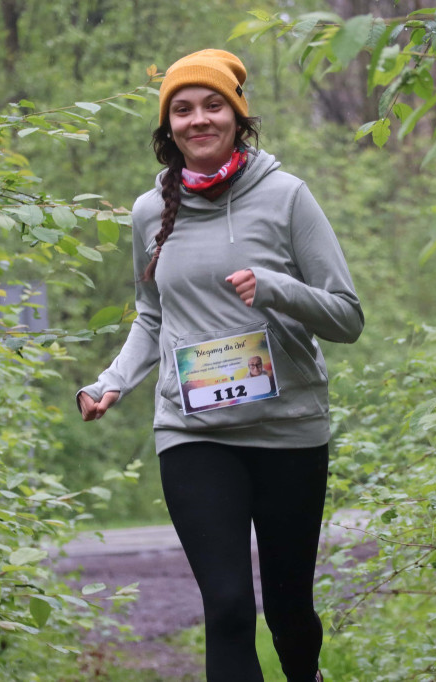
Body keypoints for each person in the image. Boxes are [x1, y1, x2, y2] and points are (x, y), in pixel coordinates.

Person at [76, 48, 362, 682]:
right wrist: (112, 382)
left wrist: (276, 287)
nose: (198, 119)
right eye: (182, 109)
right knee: (228, 606)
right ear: (168, 126)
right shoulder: (149, 211)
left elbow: (347, 318)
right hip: (194, 430)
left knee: (289, 610)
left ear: (238, 117)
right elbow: (151, 316)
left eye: (213, 106)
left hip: (288, 427)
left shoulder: (287, 197)